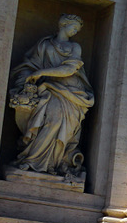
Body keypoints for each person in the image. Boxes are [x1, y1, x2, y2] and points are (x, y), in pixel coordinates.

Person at [7, 13, 95, 183]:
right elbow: (28, 65)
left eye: (77, 29)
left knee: (57, 123)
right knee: (47, 122)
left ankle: (51, 164)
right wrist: (27, 78)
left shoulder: (75, 47)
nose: (75, 32)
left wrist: (41, 73)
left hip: (70, 93)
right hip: (48, 90)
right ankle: (32, 161)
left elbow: (69, 70)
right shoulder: (44, 45)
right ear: (63, 25)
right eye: (73, 27)